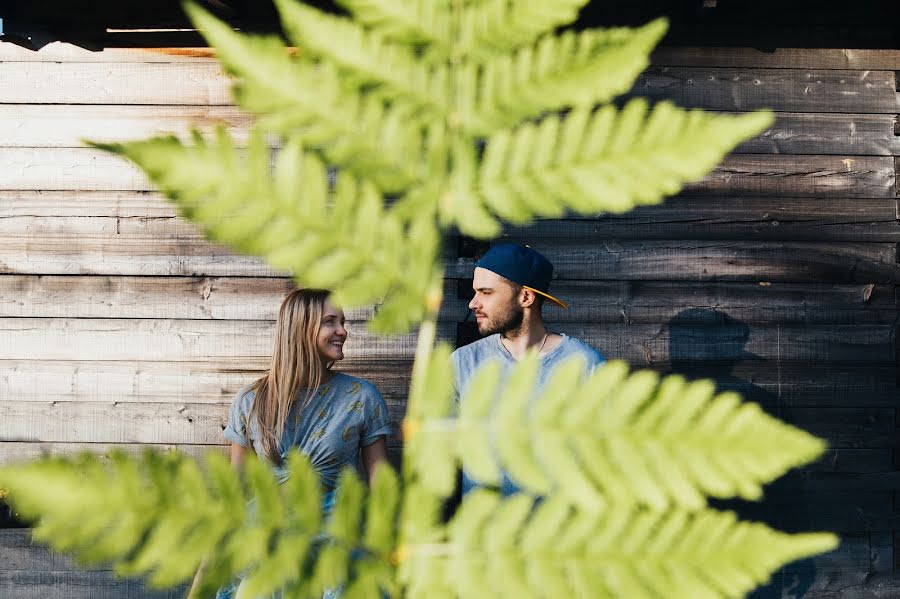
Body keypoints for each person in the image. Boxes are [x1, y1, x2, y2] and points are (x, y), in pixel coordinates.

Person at [211, 288, 392, 599]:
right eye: (330, 322)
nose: (342, 331)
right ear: (299, 329)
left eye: (343, 322)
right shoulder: (251, 401)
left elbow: (382, 486)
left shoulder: (362, 398)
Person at [451, 243, 605, 496]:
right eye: (474, 292)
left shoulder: (584, 365)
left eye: (486, 292)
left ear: (525, 297)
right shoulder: (463, 363)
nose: (473, 303)